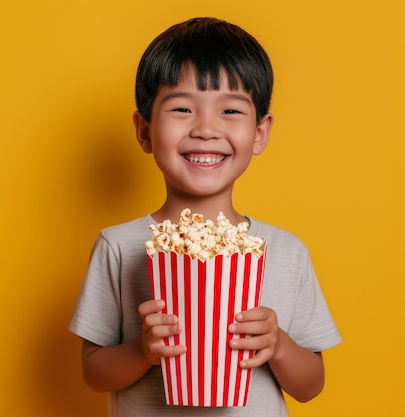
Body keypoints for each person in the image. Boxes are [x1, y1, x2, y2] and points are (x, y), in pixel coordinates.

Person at [69, 17, 341, 417]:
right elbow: (94, 371)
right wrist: (143, 351)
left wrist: (279, 345)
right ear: (144, 131)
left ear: (260, 132)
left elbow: (310, 386)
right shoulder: (119, 246)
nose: (207, 129)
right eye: (182, 108)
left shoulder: (285, 252)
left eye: (230, 110)